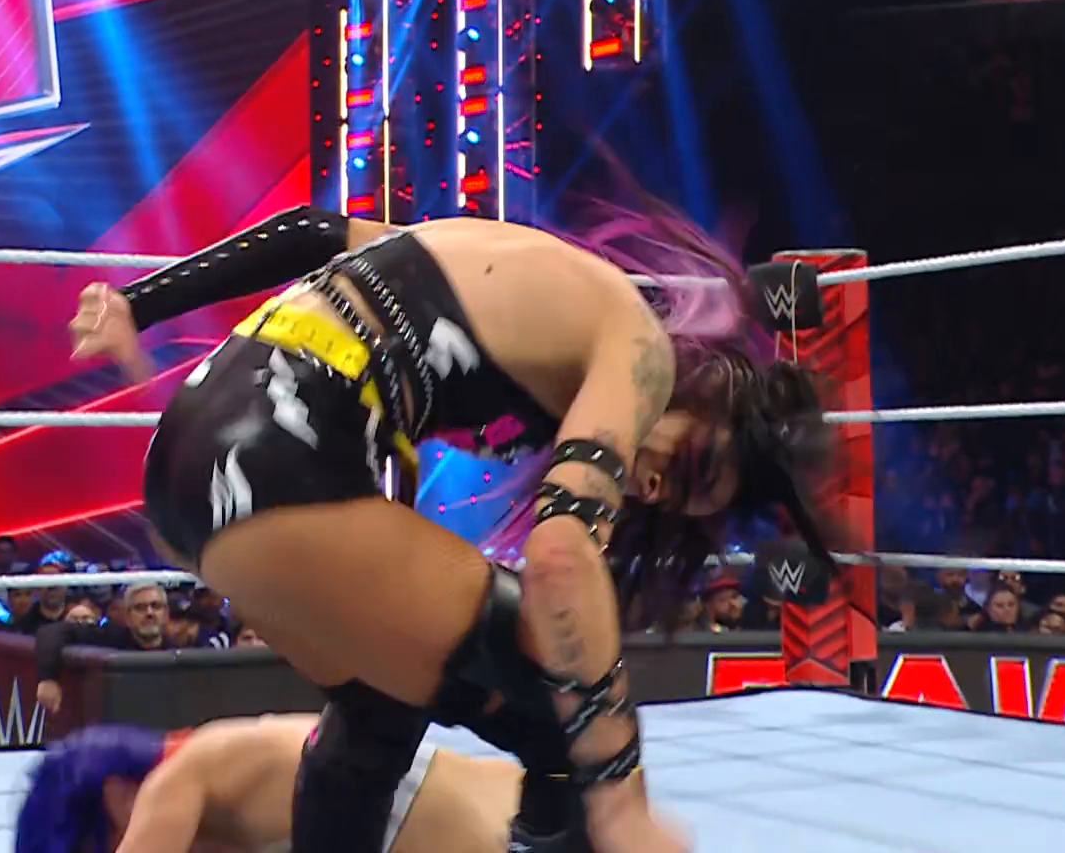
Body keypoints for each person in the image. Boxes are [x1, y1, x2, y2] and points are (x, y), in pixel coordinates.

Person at [69, 200, 830, 853]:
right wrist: (622, 799)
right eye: (692, 468)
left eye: (673, 502)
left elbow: (311, 232)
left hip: (189, 466)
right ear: (711, 395)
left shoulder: (506, 267)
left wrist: (139, 304)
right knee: (568, 715)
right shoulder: (641, 351)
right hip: (276, 452)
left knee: (378, 709)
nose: (654, 487)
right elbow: (560, 558)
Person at [15, 714, 531, 853]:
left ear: (113, 795)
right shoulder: (223, 785)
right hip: (522, 806)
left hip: (505, 831)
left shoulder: (180, 777)